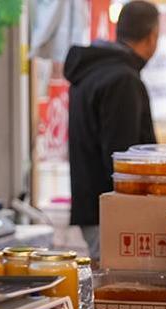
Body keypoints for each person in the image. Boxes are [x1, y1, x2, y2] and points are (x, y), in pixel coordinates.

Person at [63, 0, 159, 260]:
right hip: (113, 213)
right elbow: (122, 159)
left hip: (93, 207)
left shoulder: (94, 70)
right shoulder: (122, 79)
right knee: (117, 290)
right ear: (152, 36)